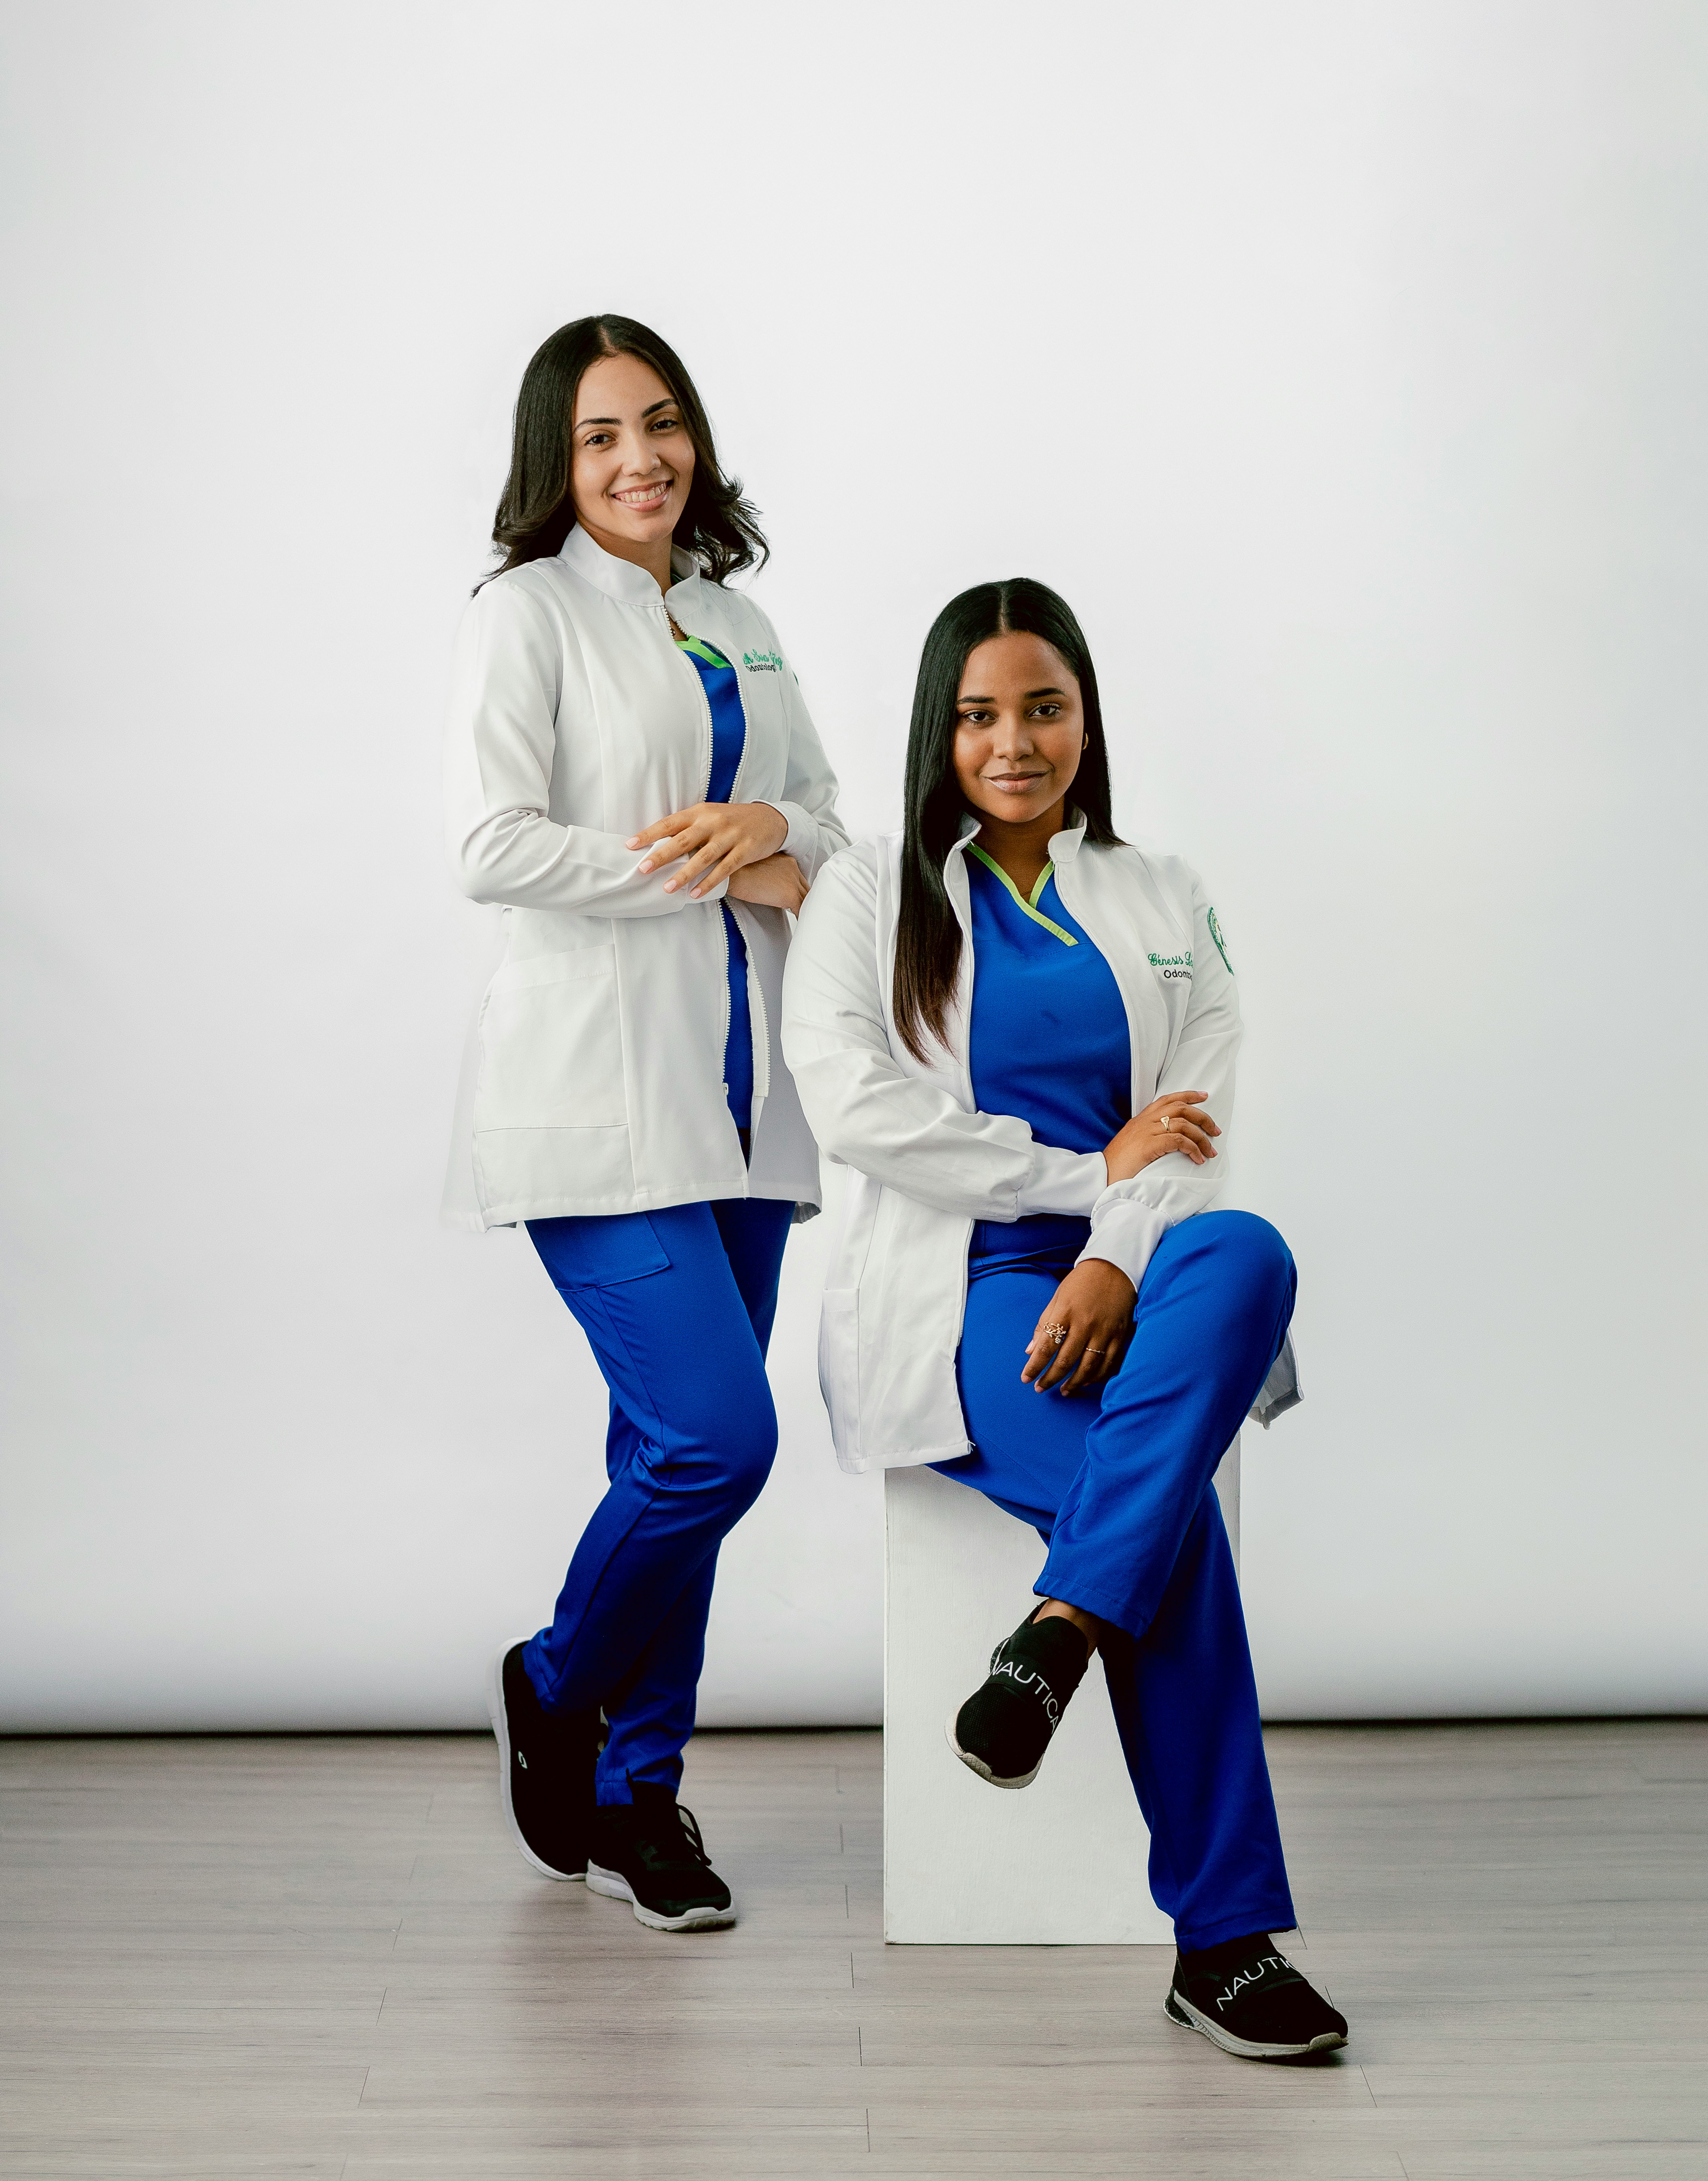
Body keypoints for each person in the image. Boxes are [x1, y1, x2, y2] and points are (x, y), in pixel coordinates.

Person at [780, 578, 1345, 2059]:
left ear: (1087, 719)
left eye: (1043, 708)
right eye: (978, 715)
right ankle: (1224, 1944)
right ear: (939, 730)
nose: (1013, 742)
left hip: (1137, 1278)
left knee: (1251, 1249)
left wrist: (1115, 1244)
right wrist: (1079, 1177)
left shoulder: (1160, 890)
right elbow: (855, 1106)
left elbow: (1202, 1123)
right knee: (1173, 1529)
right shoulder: (871, 888)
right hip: (965, 1286)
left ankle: (1052, 1633)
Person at [443, 315, 846, 1932]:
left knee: (667, 1456)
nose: (641, 458)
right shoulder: (526, 614)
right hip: (596, 1100)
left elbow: (824, 819)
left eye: (663, 423)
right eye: (604, 433)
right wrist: (694, 863)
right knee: (714, 1442)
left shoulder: (738, 621)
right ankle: (553, 1682)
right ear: (560, 459)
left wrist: (776, 833)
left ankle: (642, 1797)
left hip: (746, 1103)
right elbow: (492, 841)